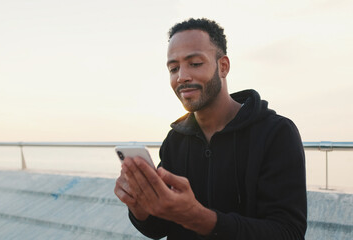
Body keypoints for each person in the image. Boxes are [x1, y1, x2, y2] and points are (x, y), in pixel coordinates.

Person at [114, 18, 307, 239]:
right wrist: (139, 207)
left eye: (195, 64)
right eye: (173, 68)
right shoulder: (175, 140)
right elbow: (158, 229)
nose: (182, 77)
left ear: (223, 66)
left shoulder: (276, 133)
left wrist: (197, 217)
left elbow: (288, 232)